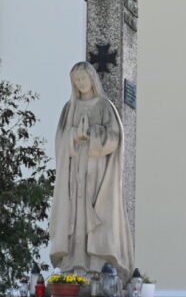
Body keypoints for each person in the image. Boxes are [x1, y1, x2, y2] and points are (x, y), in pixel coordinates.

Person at [50, 62, 133, 277]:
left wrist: (92, 135)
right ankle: (76, 263)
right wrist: (75, 136)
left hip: (97, 171)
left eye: (83, 78)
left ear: (92, 79)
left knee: (95, 212)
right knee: (75, 214)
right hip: (75, 169)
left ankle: (97, 264)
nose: (80, 83)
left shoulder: (104, 106)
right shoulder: (70, 108)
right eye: (76, 80)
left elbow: (114, 138)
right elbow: (60, 140)